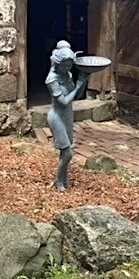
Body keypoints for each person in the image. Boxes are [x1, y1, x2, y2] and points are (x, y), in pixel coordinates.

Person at [45, 40, 89, 191]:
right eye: (65, 65)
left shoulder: (67, 75)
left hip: (67, 116)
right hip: (57, 116)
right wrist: (77, 86)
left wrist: (82, 81)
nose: (68, 68)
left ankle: (63, 178)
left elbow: (76, 96)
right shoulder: (52, 80)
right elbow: (63, 101)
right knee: (68, 153)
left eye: (70, 65)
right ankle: (58, 181)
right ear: (58, 63)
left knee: (65, 151)